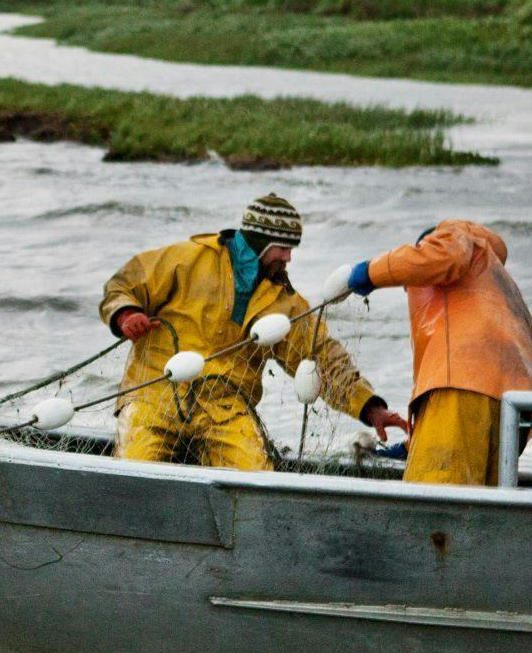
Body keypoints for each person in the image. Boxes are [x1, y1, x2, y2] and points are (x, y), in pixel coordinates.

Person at [99, 193, 411, 470]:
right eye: (283, 247)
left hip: (226, 409)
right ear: (258, 240)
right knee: (132, 471)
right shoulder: (186, 259)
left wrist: (371, 407)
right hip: (152, 398)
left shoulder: (284, 301)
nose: (288, 257)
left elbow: (319, 356)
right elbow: (124, 284)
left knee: (256, 475)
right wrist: (126, 314)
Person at [327, 219, 532, 486]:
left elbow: (443, 257)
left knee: (432, 510)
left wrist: (369, 272)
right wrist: (413, 446)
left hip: (465, 387)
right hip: (513, 407)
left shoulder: (453, 235)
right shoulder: (493, 288)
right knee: (479, 513)